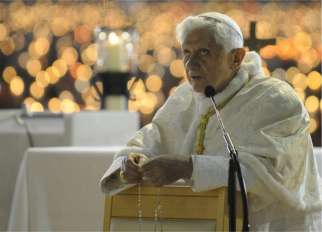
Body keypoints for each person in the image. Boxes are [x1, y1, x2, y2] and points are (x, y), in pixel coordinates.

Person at [100, 12, 322, 231]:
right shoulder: (183, 98)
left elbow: (271, 172)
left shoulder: (275, 100)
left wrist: (188, 167)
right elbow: (148, 141)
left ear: (236, 58)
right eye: (186, 52)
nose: (191, 63)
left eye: (204, 52)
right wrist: (129, 165)